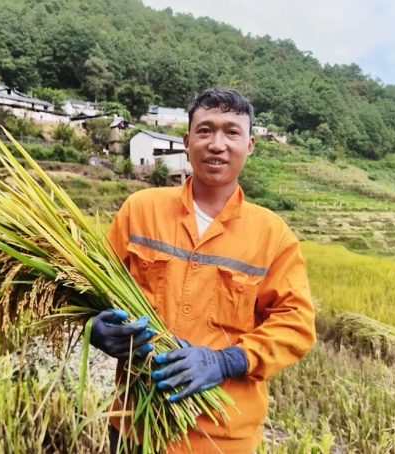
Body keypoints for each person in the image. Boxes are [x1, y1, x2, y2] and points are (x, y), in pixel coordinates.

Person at [91, 87, 316, 454]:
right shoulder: (140, 211)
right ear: (187, 141)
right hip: (135, 424)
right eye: (205, 130)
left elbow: (296, 326)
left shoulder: (273, 236)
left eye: (231, 132)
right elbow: (92, 289)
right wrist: (94, 327)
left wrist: (223, 361)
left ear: (250, 145)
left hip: (222, 438)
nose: (217, 144)